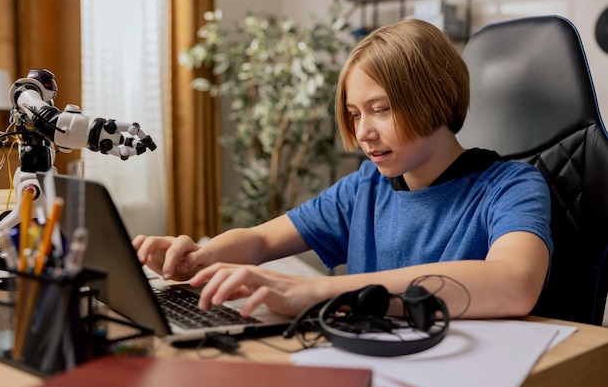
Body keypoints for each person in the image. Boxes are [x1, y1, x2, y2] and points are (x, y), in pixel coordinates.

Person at [134, 18, 552, 321]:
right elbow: (261, 240)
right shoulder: (367, 187)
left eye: (381, 110)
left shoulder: (511, 186)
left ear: (438, 99)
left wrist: (319, 291)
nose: (363, 132)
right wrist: (200, 258)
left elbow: (515, 283)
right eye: (354, 114)